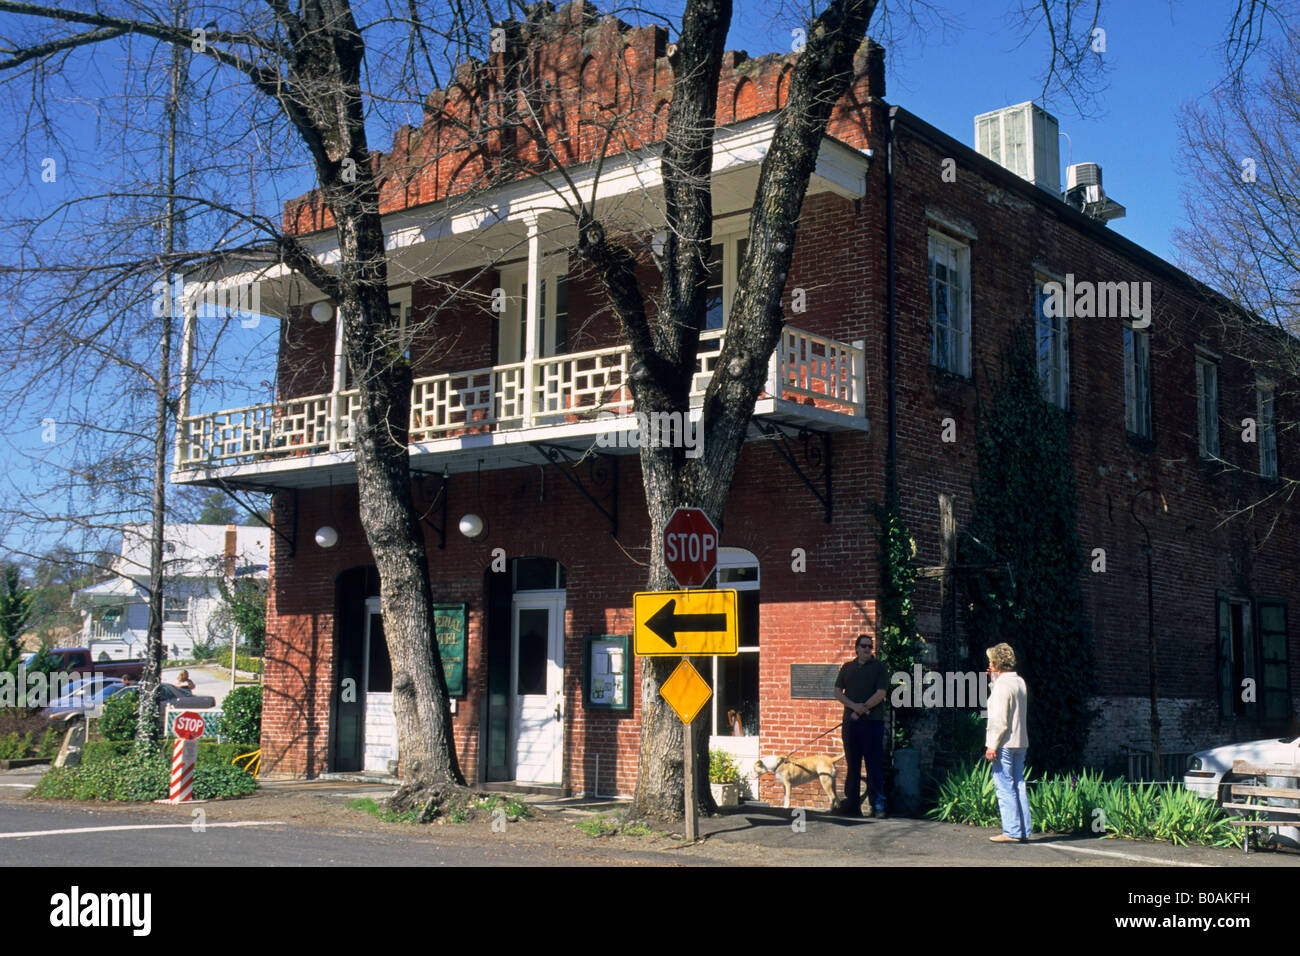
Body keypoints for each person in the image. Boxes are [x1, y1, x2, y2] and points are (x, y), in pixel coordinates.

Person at [833, 633, 889, 817]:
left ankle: (878, 806)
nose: (867, 649)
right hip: (851, 725)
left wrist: (861, 710)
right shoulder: (847, 668)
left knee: (873, 765)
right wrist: (853, 707)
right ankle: (852, 805)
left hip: (872, 724)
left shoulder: (879, 667)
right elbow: (837, 692)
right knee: (853, 765)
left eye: (869, 646)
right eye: (863, 646)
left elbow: (881, 693)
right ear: (856, 648)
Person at [984, 642, 1031, 843]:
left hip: (1004, 743)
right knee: (1018, 784)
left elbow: (999, 719)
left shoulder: (1002, 686)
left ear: (996, 663)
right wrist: (994, 681)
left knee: (1004, 786)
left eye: (991, 661)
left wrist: (991, 745)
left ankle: (1011, 831)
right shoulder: (1019, 681)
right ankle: (1023, 830)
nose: (989, 664)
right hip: (1020, 741)